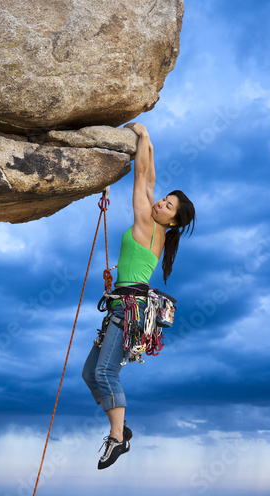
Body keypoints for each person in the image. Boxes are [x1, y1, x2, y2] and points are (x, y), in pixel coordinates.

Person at [82, 122, 195, 469]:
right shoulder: (156, 225)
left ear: (172, 222)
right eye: (165, 199)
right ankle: (121, 429)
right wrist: (147, 141)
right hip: (127, 305)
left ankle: (118, 439)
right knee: (90, 373)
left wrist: (144, 138)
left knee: (105, 374)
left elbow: (141, 176)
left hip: (129, 309)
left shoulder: (148, 223)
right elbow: (150, 180)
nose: (161, 202)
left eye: (169, 206)